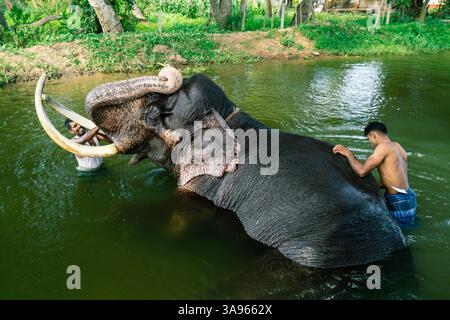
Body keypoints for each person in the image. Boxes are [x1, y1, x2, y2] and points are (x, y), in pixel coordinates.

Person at [332, 122, 416, 225]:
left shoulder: (382, 147)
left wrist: (349, 154)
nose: (370, 143)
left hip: (398, 200)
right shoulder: (398, 147)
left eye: (369, 139)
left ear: (373, 135)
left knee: (399, 233)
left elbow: (362, 172)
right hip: (410, 196)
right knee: (408, 227)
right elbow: (394, 179)